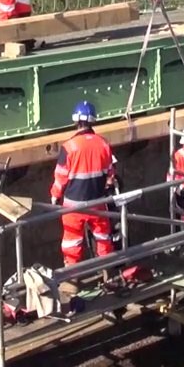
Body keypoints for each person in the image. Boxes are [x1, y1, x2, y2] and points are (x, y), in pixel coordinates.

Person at [50, 101, 116, 268]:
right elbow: (110, 174)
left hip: (73, 205)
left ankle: (72, 277)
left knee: (72, 243)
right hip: (97, 202)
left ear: (75, 120)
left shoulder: (69, 147)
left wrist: (55, 196)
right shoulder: (103, 144)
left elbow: (60, 177)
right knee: (103, 238)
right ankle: (108, 272)